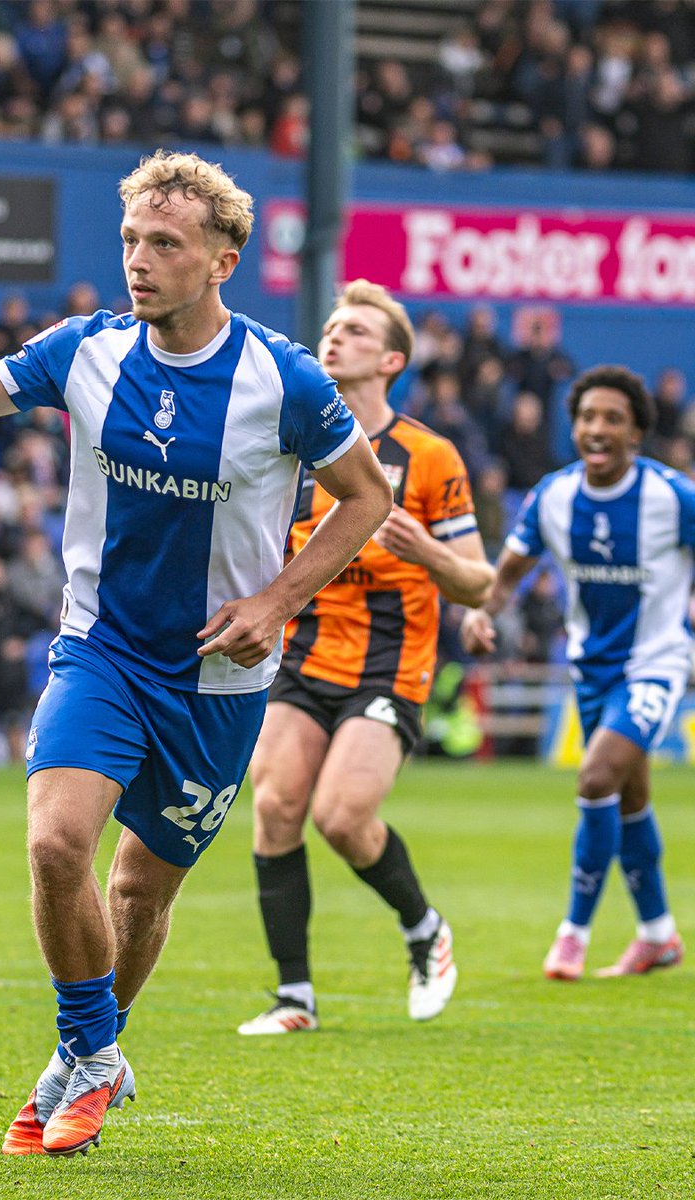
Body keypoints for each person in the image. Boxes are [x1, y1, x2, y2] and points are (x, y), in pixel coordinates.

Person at [0, 151, 393, 1158]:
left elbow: (368, 497)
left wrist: (280, 597)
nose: (139, 260)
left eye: (165, 243)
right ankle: (89, 1049)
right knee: (53, 845)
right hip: (103, 652)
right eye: (130, 239)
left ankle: (85, 1058)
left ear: (223, 259)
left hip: (218, 680)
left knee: (139, 893)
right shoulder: (84, 350)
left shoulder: (284, 379)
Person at [237, 280, 493, 1035]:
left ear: (391, 360)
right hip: (303, 656)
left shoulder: (429, 455)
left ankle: (423, 928)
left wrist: (428, 555)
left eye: (354, 330)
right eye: (331, 325)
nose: (335, 336)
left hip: (390, 667)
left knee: (344, 817)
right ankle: (295, 999)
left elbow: (477, 582)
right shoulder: (292, 443)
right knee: (276, 805)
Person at [461, 365, 689, 981]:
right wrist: (484, 613)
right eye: (588, 417)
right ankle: (658, 935)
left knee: (596, 779)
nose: (597, 428)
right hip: (591, 672)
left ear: (637, 433)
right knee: (631, 798)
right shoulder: (555, 497)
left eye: (613, 418)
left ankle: (573, 934)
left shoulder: (673, 497)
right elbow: (509, 570)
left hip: (656, 665)